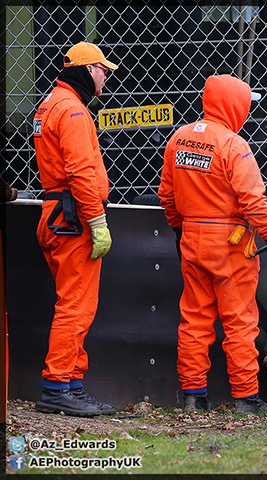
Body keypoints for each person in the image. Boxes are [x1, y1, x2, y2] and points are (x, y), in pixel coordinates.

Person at [158, 74, 267, 415]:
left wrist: (180, 230)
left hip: (192, 239)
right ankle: (246, 398)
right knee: (240, 322)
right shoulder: (234, 145)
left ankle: (193, 397)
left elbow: (166, 196)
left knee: (194, 320)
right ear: (235, 106)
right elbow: (254, 202)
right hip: (230, 244)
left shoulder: (179, 138)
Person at [32, 42, 117, 416]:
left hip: (56, 214)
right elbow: (81, 172)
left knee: (75, 303)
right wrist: (97, 221)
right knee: (76, 306)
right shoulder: (73, 111)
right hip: (74, 219)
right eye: (102, 70)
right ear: (85, 70)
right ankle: (56, 387)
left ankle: (72, 385)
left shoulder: (50, 104)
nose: (105, 77)